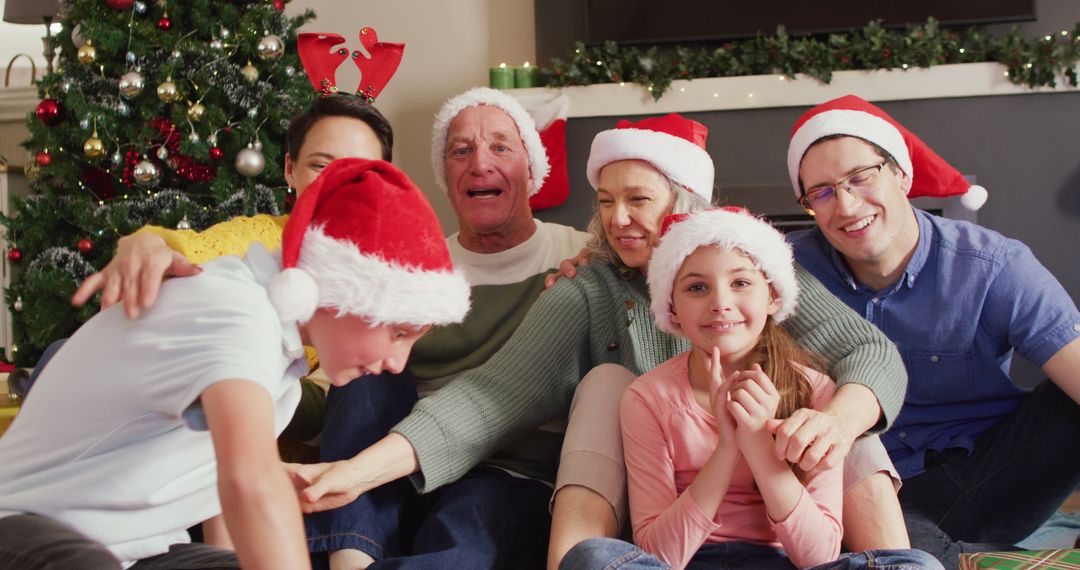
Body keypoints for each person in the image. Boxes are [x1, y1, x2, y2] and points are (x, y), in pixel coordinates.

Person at [292, 114, 911, 568]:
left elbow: (873, 353)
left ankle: (890, 562)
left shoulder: (753, 267)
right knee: (607, 382)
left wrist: (832, 423)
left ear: (683, 202)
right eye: (607, 201)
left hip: (782, 494)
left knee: (839, 402)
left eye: (638, 199)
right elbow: (490, 397)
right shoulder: (588, 286)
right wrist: (355, 471)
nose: (617, 219)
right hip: (660, 508)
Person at [0, 158, 470, 570]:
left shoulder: (282, 365)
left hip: (136, 553)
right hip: (24, 528)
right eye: (399, 332)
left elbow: (225, 491)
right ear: (343, 291)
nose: (396, 361)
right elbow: (251, 484)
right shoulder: (239, 313)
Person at [301, 86, 591, 569]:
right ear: (446, 175)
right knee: (369, 375)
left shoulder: (578, 258)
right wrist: (250, 390)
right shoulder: (409, 266)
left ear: (530, 167)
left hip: (508, 477)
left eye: (501, 147)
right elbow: (333, 386)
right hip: (390, 472)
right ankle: (348, 558)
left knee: (470, 521)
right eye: (462, 150)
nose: (480, 163)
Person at [785, 94, 1080, 568]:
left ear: (901, 174)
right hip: (878, 487)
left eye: (861, 177)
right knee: (902, 553)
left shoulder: (994, 266)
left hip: (994, 467)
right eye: (820, 192)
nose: (845, 204)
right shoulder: (785, 272)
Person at [561, 208, 940, 570]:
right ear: (672, 309)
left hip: (785, 563)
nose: (721, 303)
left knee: (914, 563)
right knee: (590, 558)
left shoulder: (816, 391)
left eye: (741, 283)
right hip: (690, 562)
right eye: (696, 288)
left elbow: (819, 554)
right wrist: (726, 448)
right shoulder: (648, 397)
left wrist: (757, 440)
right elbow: (660, 554)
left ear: (773, 296)